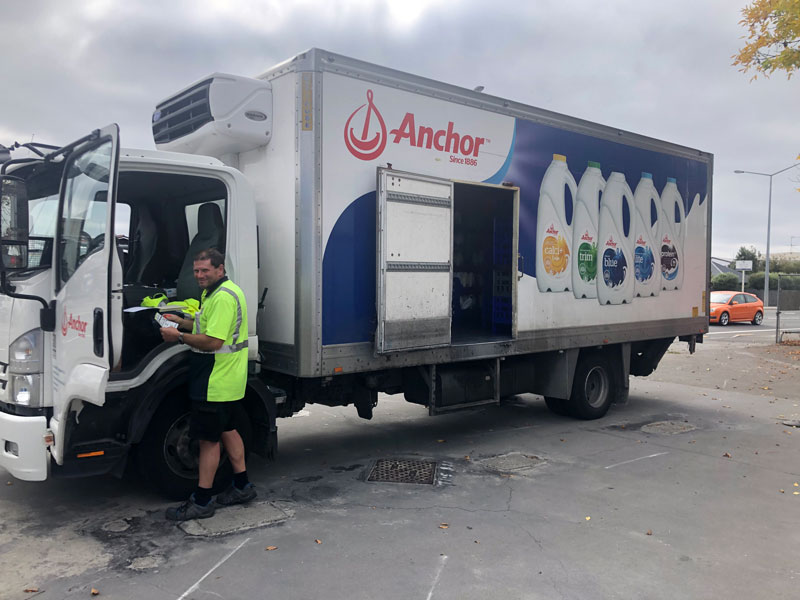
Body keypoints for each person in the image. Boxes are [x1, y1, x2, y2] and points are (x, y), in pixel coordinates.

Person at [160, 248, 256, 520]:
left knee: (208, 441)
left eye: (205, 270)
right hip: (228, 379)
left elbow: (213, 341)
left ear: (220, 269)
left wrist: (177, 336)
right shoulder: (216, 292)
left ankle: (202, 501)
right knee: (229, 430)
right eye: (196, 271)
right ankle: (242, 486)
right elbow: (207, 326)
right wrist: (182, 321)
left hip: (215, 380)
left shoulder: (223, 297)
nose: (200, 275)